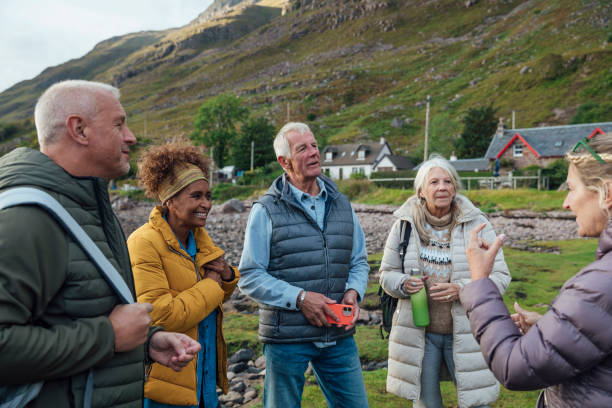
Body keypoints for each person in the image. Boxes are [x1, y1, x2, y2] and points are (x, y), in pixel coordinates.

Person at [0, 80, 200, 407]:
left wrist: (146, 340)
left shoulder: (88, 207)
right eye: (119, 124)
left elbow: (84, 308)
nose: (131, 136)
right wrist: (108, 338)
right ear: (79, 130)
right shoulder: (26, 218)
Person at [461, 132, 612, 408]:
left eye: (571, 188)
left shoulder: (599, 285)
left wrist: (480, 281)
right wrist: (550, 328)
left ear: (607, 192)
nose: (565, 203)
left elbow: (514, 367)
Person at [238, 122, 370, 407]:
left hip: (338, 334)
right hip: (287, 339)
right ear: (284, 162)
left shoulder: (342, 204)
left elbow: (358, 260)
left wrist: (353, 292)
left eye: (314, 146)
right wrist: (300, 299)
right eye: (303, 149)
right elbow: (249, 275)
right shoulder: (266, 210)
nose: (313, 153)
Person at [379, 155, 511, 408]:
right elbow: (386, 274)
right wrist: (404, 284)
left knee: (476, 403)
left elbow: (501, 277)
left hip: (468, 331)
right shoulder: (404, 226)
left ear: (455, 187)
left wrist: (462, 289)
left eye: (447, 181)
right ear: (421, 191)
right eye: (434, 182)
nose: (442, 187)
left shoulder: (477, 224)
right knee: (427, 403)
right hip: (419, 333)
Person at [127, 141, 240, 407]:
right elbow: (162, 316)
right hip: (166, 383)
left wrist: (226, 277)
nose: (206, 204)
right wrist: (213, 285)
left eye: (208, 196)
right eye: (196, 196)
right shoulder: (144, 243)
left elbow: (211, 299)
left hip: (202, 376)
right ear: (170, 200)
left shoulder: (200, 238)